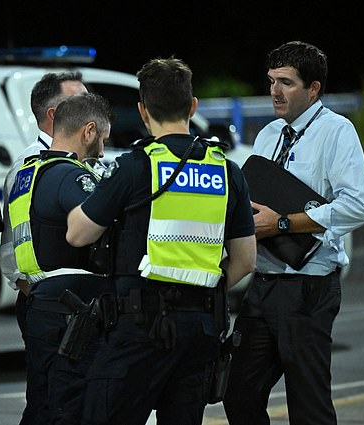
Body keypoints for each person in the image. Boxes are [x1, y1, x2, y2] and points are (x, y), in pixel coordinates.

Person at [66, 57, 257, 425]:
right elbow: (246, 260)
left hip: (140, 327)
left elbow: (78, 233)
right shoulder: (227, 170)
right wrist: (202, 289)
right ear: (193, 106)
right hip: (201, 327)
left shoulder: (136, 166)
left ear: (142, 111)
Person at [222, 41, 364, 425]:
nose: (274, 92)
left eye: (286, 83)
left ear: (314, 88)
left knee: (308, 407)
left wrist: (284, 222)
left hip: (308, 289)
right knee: (238, 393)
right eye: (272, 81)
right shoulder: (269, 135)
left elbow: (357, 206)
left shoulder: (337, 131)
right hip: (264, 284)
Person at [9, 92, 113, 424]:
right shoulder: (71, 174)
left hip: (39, 302)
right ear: (88, 131)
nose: (102, 150)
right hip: (71, 312)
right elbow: (104, 223)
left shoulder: (27, 172)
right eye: (102, 139)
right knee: (71, 408)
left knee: (41, 403)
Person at [0, 71, 87, 425]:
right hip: (51, 302)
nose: (90, 111)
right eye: (80, 104)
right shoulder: (30, 166)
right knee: (49, 403)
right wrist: (37, 291)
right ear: (54, 115)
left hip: (73, 300)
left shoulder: (81, 159)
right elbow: (16, 248)